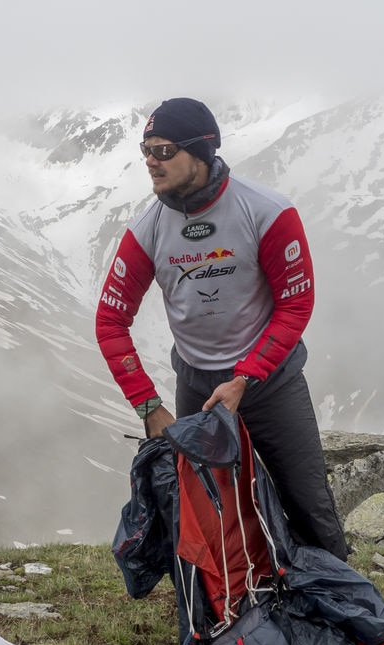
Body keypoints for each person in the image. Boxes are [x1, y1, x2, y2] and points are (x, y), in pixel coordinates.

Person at [95, 97, 350, 560]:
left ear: (202, 151)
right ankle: (226, 622)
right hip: (197, 389)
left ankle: (338, 608)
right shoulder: (148, 229)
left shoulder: (267, 211)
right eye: (146, 149)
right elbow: (110, 320)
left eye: (165, 150)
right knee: (209, 522)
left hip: (271, 383)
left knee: (309, 508)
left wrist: (247, 377)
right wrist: (148, 406)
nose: (151, 161)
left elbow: (296, 303)